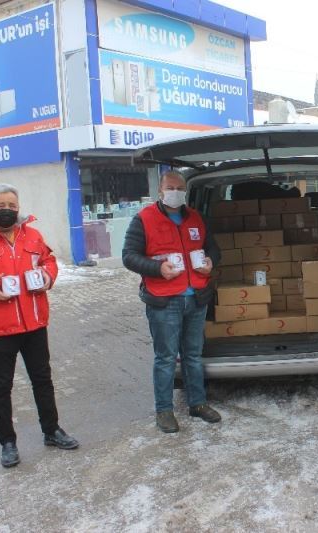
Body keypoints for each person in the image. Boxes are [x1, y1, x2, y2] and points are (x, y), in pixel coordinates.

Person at [0, 184, 78, 468]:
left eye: (12, 205)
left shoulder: (32, 236)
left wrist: (47, 276)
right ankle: (7, 442)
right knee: (2, 387)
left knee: (43, 379)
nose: (7, 210)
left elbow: (49, 260)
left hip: (35, 323)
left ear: (18, 209)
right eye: (1, 205)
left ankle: (52, 430)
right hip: (0, 329)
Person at [122, 170, 222, 433]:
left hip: (196, 297)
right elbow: (129, 256)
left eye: (180, 188)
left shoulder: (196, 218)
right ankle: (164, 410)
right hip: (164, 301)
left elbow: (212, 248)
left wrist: (211, 262)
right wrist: (157, 269)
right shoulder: (144, 219)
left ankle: (197, 404)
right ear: (160, 191)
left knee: (192, 355)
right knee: (166, 357)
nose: (175, 192)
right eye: (170, 187)